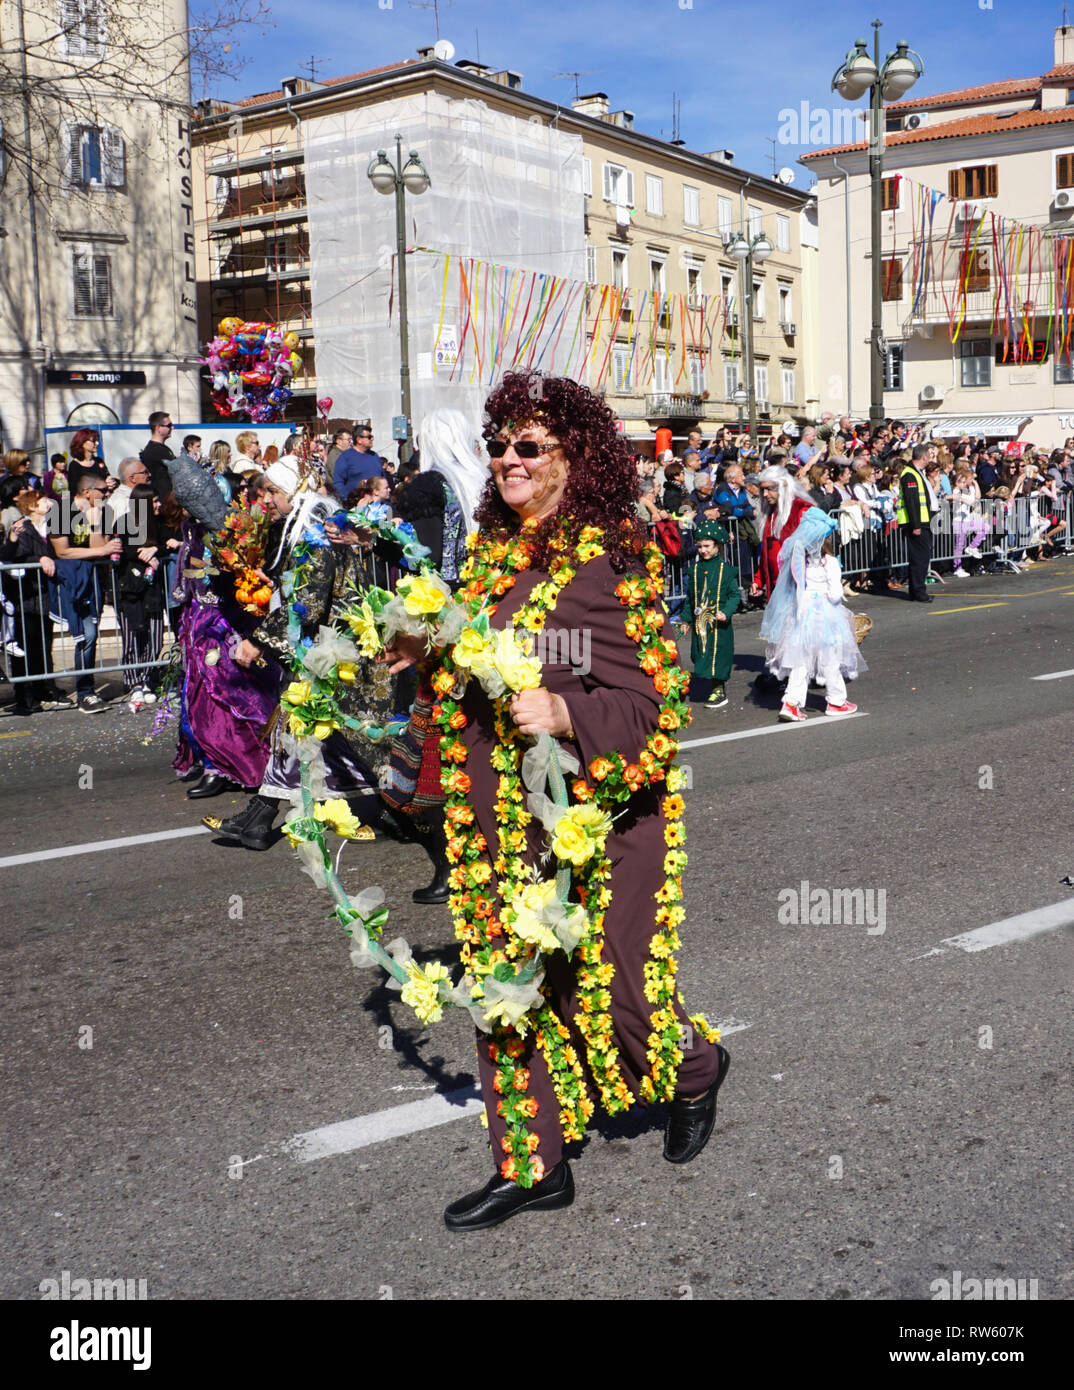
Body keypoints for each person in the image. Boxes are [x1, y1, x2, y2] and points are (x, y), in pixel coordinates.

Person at [382, 369, 729, 1231]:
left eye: (528, 446)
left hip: (600, 825)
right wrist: (418, 650)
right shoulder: (493, 556)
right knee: (509, 990)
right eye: (498, 445)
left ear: (576, 458)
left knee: (618, 1000)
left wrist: (571, 711)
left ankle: (696, 1071)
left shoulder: (612, 557)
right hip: (501, 826)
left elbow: (656, 708)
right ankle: (531, 1164)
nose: (507, 459)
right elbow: (473, 671)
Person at [759, 506, 866, 722]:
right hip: (825, 614)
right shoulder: (831, 563)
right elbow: (836, 594)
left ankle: (791, 703)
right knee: (831, 659)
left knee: (801, 661)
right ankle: (836, 701)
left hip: (801, 612)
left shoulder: (800, 560)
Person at [50, 474, 122, 712]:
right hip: (70, 582)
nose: (107, 494)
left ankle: (86, 691)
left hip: (91, 582)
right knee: (87, 635)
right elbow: (63, 552)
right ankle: (84, 692)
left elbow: (98, 549)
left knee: (91, 635)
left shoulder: (97, 513)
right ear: (88, 491)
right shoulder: (61, 511)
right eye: (103, 490)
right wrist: (102, 549)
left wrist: (95, 523)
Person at [0, 488, 72, 713]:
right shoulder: (23, 528)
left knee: (43, 645)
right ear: (31, 506)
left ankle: (45, 689)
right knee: (25, 647)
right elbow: (13, 557)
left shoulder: (52, 526)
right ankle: (25, 696)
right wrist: (39, 558)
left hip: (45, 596)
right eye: (42, 500)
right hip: (25, 597)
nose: (48, 503)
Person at [114, 483, 169, 710]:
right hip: (131, 589)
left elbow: (169, 543)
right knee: (133, 638)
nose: (159, 505)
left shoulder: (159, 522)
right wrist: (143, 555)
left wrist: (156, 550)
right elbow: (122, 550)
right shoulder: (125, 522)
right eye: (154, 501)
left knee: (155, 637)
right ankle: (133, 682)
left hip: (152, 589)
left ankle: (147, 678)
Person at [678, 519, 741, 709]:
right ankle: (713, 686)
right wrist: (686, 619)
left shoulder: (725, 570)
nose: (703, 550)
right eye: (699, 547)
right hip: (700, 623)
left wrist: (726, 612)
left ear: (717, 546)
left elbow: (735, 595)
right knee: (699, 654)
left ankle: (719, 690)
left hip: (718, 624)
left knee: (719, 656)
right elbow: (690, 598)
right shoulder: (695, 569)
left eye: (707, 546)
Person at [755, 464, 816, 601]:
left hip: (798, 588)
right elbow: (767, 550)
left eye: (769, 489)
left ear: (783, 486)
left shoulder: (801, 509)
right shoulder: (769, 512)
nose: (765, 495)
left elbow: (813, 552)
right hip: (777, 588)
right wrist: (758, 580)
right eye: (763, 489)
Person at [167, 435, 228, 532]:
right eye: (198, 446)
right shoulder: (184, 464)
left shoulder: (199, 461)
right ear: (189, 447)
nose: (200, 449)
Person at [897, 444, 934, 602]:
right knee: (919, 558)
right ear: (924, 456)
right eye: (930, 455)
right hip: (916, 523)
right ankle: (919, 591)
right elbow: (911, 501)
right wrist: (916, 525)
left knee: (922, 557)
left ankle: (916, 590)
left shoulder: (917, 473)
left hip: (923, 521)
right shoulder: (910, 474)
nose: (931, 458)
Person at [332, 423, 385, 501]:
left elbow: (383, 478)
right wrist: (348, 499)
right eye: (369, 437)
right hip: (358, 507)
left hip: (378, 505)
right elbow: (338, 483)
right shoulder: (346, 457)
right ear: (359, 440)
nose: (372, 439)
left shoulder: (374, 456)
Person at [140, 412, 176, 501]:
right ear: (158, 428)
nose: (172, 428)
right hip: (164, 502)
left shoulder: (162, 449)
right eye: (169, 425)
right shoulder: (155, 450)